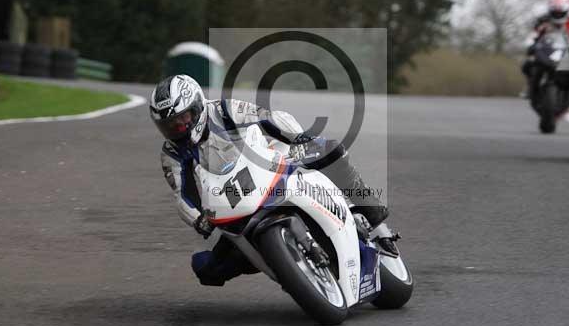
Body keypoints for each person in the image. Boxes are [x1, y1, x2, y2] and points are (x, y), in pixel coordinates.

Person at [150, 74, 398, 286]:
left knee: (330, 150)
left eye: (183, 118)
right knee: (206, 270)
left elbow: (268, 117)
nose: (179, 127)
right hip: (234, 202)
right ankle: (281, 264)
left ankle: (373, 214)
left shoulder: (223, 110)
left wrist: (298, 137)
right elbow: (181, 195)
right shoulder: (171, 153)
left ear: (197, 106)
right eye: (170, 125)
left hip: (273, 164)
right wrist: (198, 220)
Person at [521, 0, 569, 100]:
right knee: (528, 64)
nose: (558, 15)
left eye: (560, 13)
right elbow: (533, 34)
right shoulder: (542, 20)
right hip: (546, 50)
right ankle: (530, 86)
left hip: (566, 51)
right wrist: (531, 45)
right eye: (555, 13)